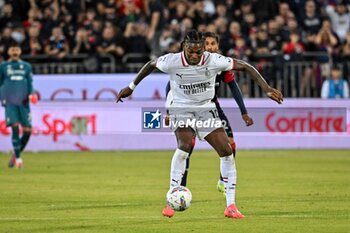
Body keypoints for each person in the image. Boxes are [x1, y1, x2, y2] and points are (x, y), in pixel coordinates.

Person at [117, 30, 283, 219]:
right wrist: (131, 87)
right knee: (184, 146)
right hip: (181, 108)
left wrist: (266, 88)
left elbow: (245, 66)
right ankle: (171, 198)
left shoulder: (214, 60)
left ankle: (231, 206)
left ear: (204, 48)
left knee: (227, 151)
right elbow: (150, 64)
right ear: (184, 48)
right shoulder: (172, 60)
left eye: (199, 52)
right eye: (191, 52)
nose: (195, 56)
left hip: (206, 109)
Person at [165, 32, 254, 194]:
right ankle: (181, 187)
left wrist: (244, 112)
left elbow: (234, 87)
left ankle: (223, 179)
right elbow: (170, 86)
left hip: (212, 107)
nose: (210, 47)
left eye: (213, 43)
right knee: (187, 146)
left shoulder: (220, 64)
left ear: (218, 46)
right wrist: (168, 111)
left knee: (230, 143)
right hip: (188, 108)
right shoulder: (189, 64)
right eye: (207, 44)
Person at [0, 42, 37, 168]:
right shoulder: (3, 66)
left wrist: (32, 94)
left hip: (23, 102)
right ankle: (19, 159)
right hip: (10, 101)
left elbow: (30, 83)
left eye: (17, 49)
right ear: (9, 51)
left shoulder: (26, 66)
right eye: (12, 49)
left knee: (27, 131)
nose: (14, 51)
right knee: (15, 127)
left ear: (20, 51)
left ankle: (15, 154)